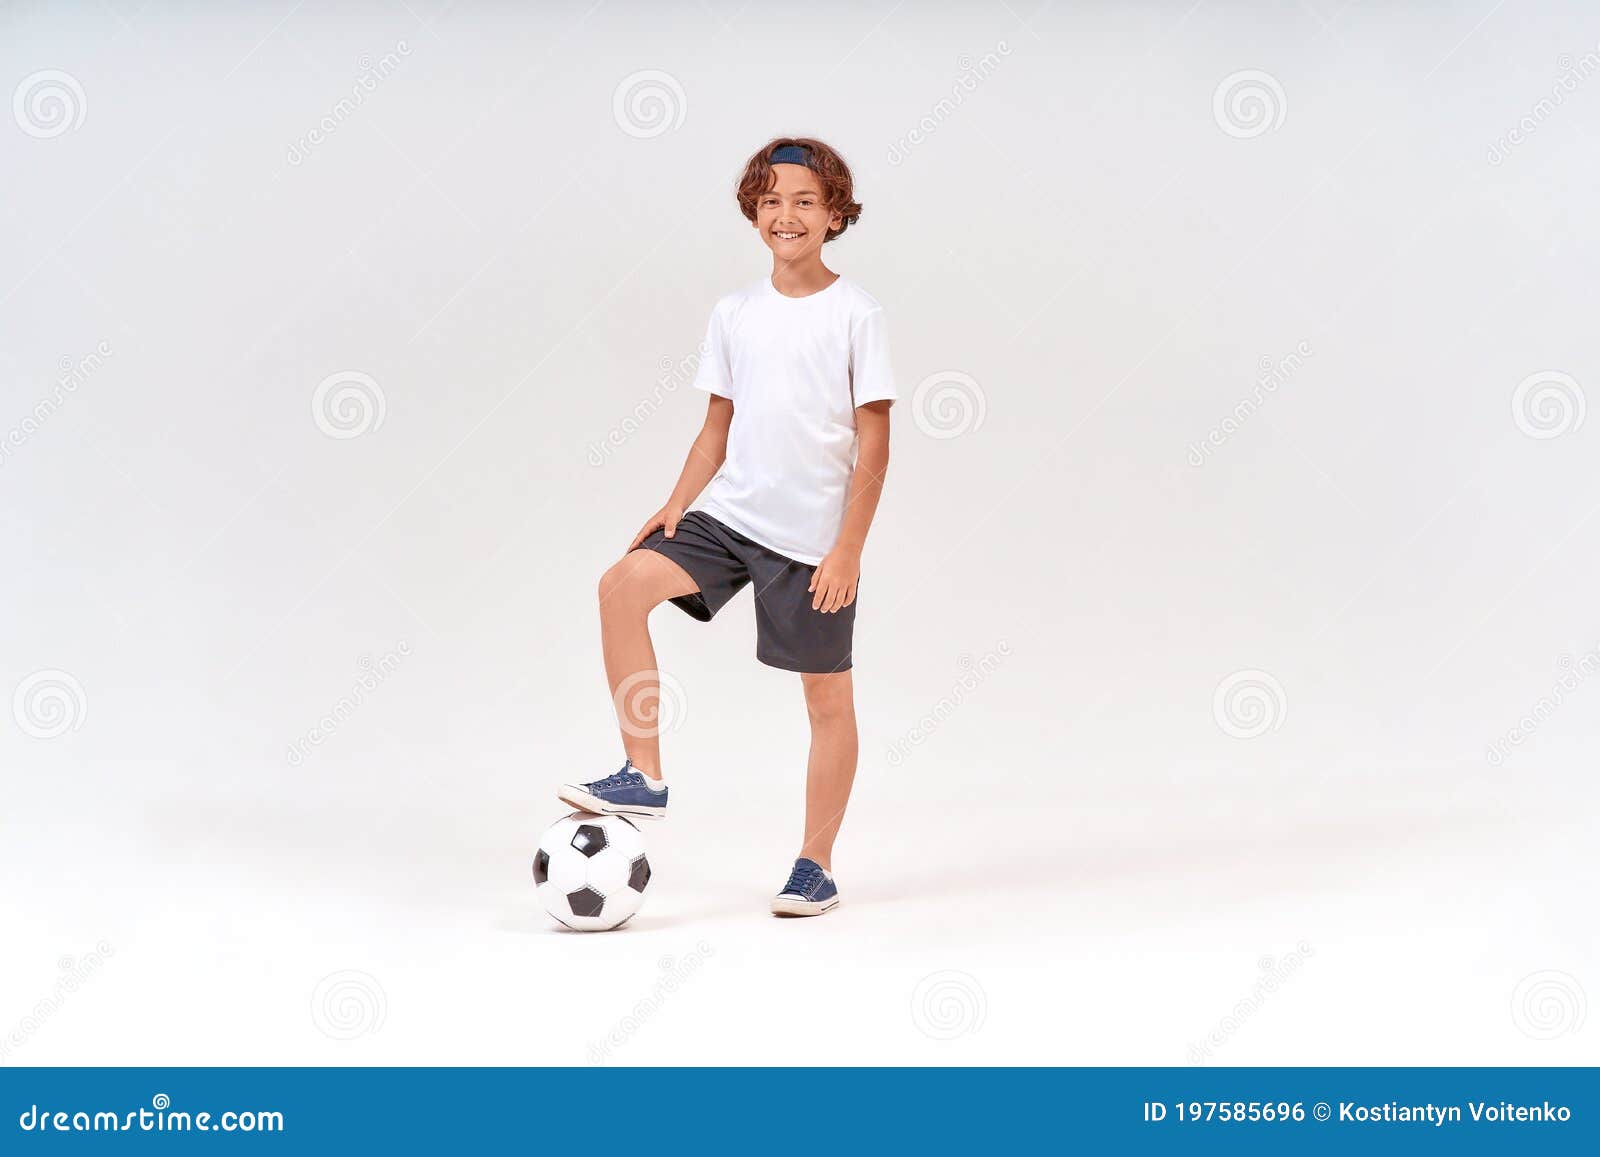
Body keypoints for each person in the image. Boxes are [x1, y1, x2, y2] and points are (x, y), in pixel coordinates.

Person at [558, 137, 897, 918]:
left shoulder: (858, 314)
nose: (788, 214)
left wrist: (848, 548)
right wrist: (677, 502)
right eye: (772, 200)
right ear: (754, 214)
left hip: (812, 542)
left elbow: (874, 443)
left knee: (826, 703)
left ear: (835, 214)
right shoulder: (734, 312)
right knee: (620, 585)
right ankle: (643, 772)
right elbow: (716, 425)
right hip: (729, 515)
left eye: (806, 201)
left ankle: (816, 864)